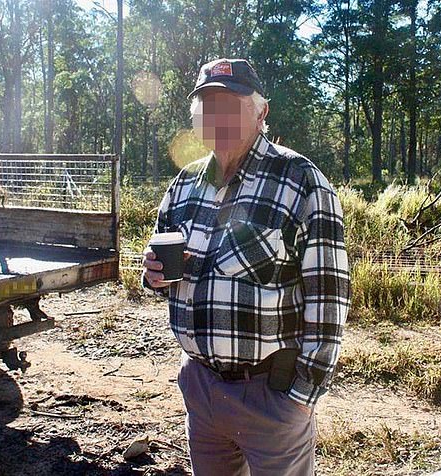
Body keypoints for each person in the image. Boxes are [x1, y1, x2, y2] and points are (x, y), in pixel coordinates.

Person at [142, 58, 350, 476]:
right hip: (201, 390)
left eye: (230, 104)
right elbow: (162, 275)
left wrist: (299, 398)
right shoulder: (183, 187)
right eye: (207, 106)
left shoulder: (300, 181)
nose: (217, 116)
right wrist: (152, 275)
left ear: (260, 112)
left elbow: (330, 299)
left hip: (270, 396)